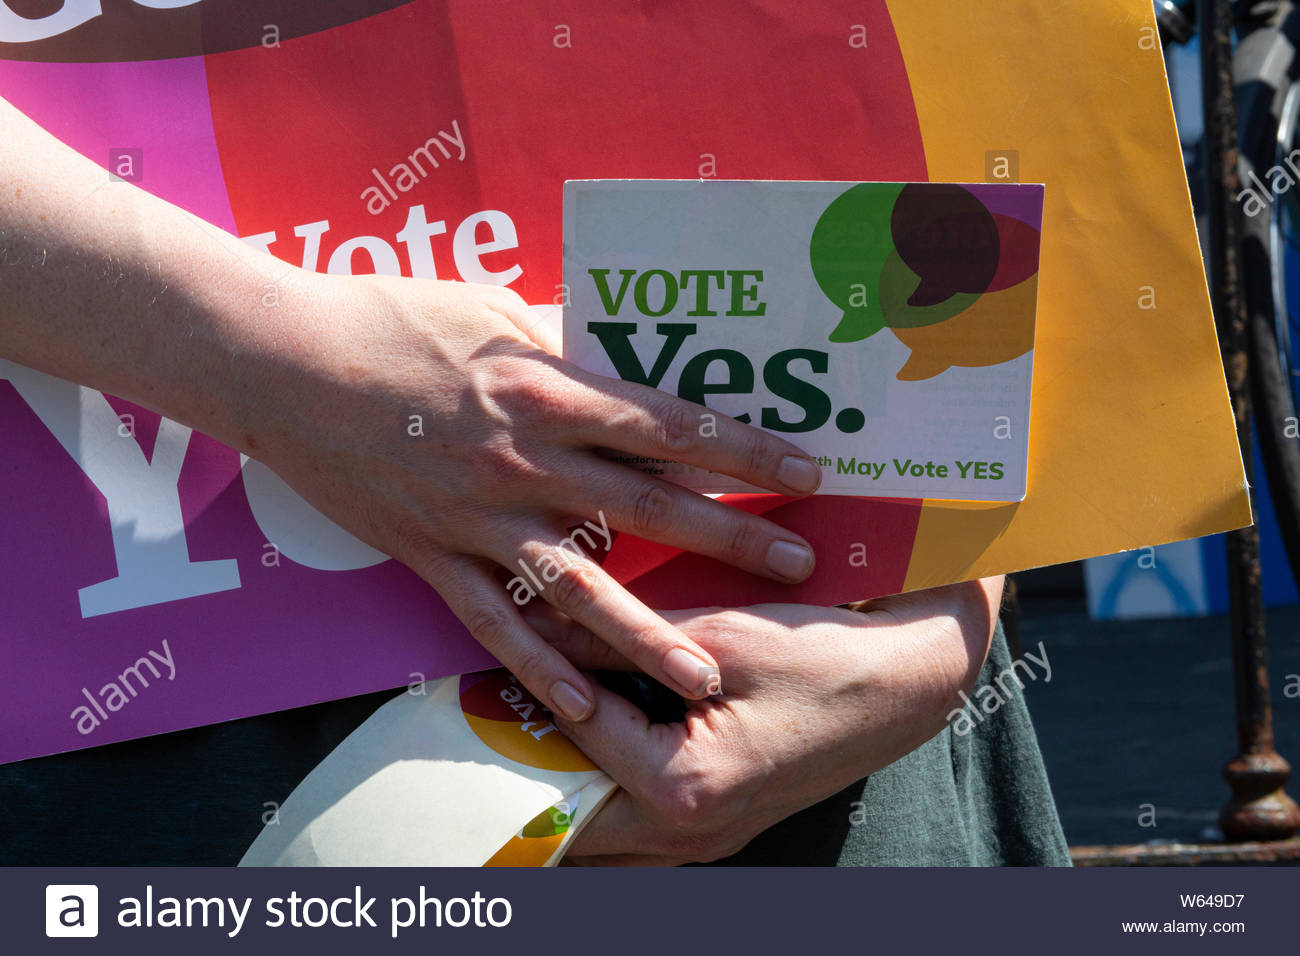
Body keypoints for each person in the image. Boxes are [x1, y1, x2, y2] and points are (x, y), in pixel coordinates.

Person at [0, 94, 1069, 866]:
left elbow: (992, 114)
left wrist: (950, 608)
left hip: (814, 706)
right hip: (162, 692)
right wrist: (260, 357)